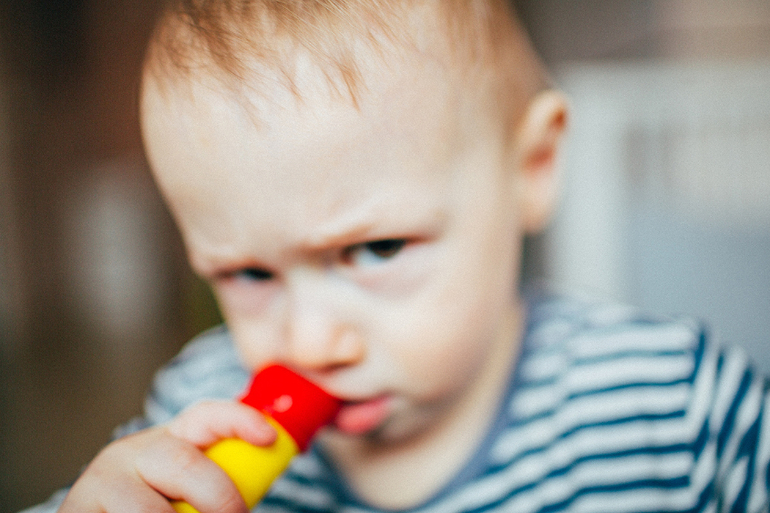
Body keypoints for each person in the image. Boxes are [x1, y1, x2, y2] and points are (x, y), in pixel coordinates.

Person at [25, 1, 770, 512]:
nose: (310, 342)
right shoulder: (199, 417)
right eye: (249, 273)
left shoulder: (673, 409)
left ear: (532, 167)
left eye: (376, 249)